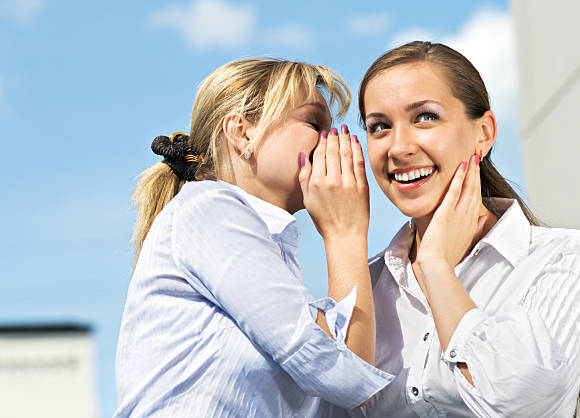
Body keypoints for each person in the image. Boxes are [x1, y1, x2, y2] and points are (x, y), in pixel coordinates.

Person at [114, 58, 393, 417]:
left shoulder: (269, 249)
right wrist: (345, 233)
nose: (330, 142)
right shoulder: (208, 209)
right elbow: (344, 375)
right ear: (242, 132)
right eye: (313, 123)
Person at [355, 41, 580, 417]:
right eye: (380, 126)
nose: (398, 146)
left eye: (425, 117)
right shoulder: (368, 286)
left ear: (484, 133)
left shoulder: (561, 261)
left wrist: (437, 267)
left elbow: (522, 407)